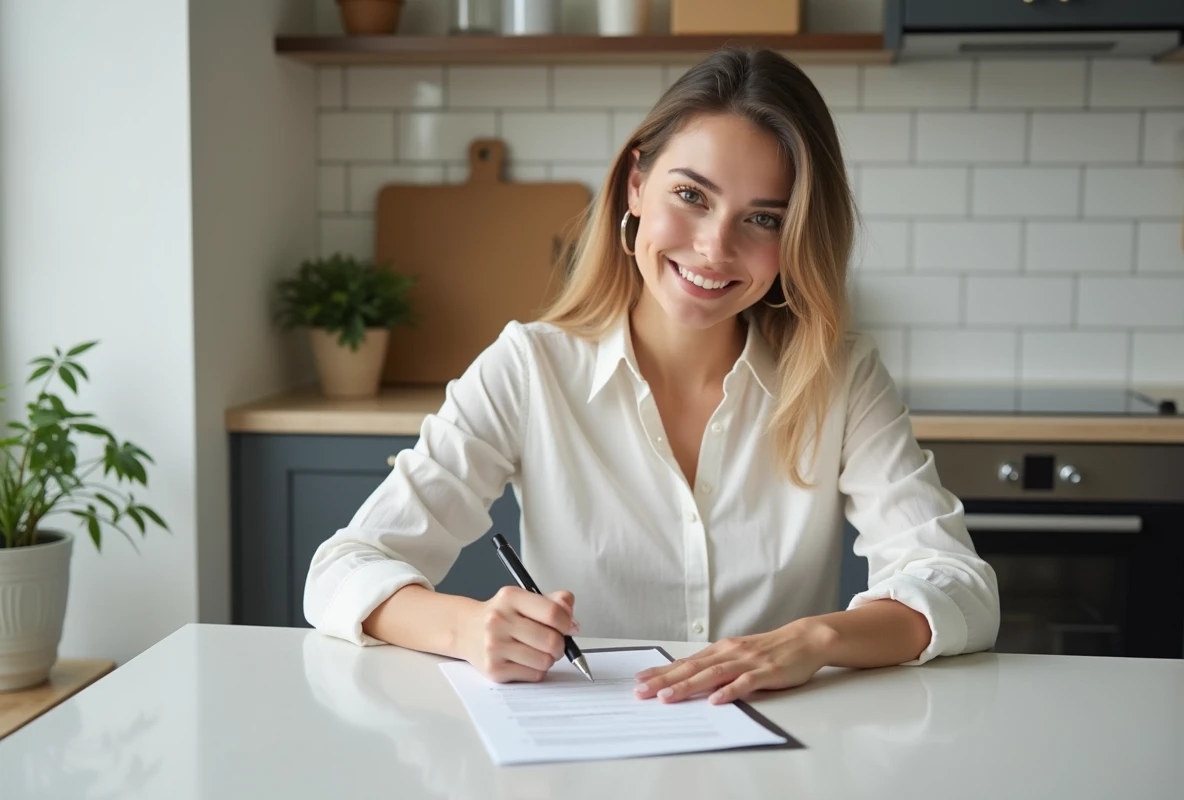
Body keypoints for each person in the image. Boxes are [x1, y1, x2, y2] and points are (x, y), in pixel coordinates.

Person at [303, 47, 1000, 707]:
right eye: (691, 195)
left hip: (779, 752)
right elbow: (343, 568)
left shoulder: (840, 377)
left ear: (796, 238)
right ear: (635, 184)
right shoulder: (530, 367)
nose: (714, 247)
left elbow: (960, 585)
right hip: (583, 750)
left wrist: (814, 640)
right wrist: (465, 628)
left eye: (763, 218)